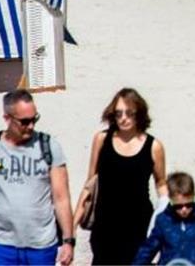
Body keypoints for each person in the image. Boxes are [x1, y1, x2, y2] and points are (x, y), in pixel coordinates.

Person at [0, 90, 76, 266]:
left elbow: (61, 198)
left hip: (41, 247)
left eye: (34, 119)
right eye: (24, 122)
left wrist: (68, 242)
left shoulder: (49, 146)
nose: (30, 126)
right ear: (7, 118)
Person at [75, 88, 167, 265]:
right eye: (118, 114)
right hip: (104, 228)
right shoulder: (101, 140)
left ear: (139, 113)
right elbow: (90, 185)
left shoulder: (154, 146)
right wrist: (71, 228)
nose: (123, 118)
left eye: (129, 113)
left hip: (138, 227)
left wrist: (164, 211)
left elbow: (161, 182)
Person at [132, 172, 195, 266]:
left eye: (189, 205)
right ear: (170, 199)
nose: (184, 210)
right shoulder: (163, 221)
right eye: (178, 206)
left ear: (194, 196)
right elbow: (147, 250)